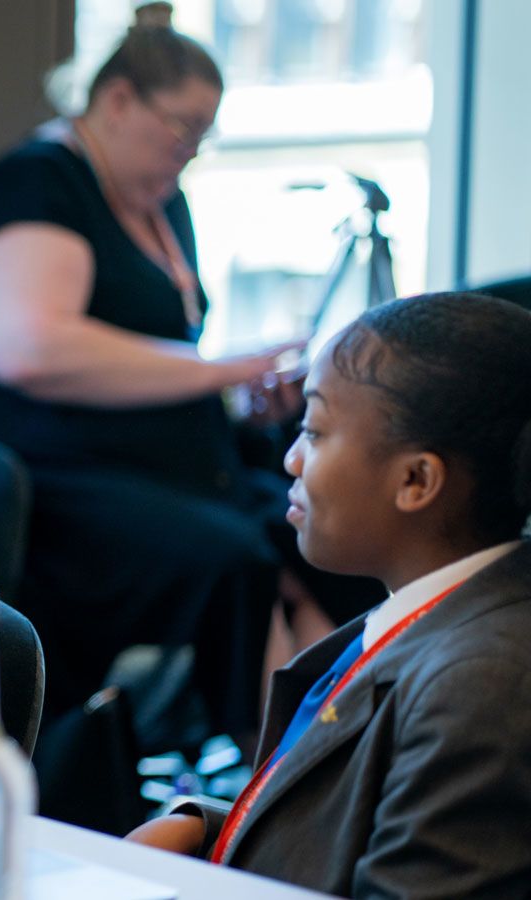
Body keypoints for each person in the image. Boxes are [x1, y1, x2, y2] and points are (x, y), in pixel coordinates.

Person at [0, 21, 380, 743]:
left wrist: (241, 394)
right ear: (120, 100)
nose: (190, 150)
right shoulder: (36, 184)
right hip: (52, 480)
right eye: (183, 127)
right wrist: (226, 367)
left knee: (316, 533)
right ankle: (281, 783)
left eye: (203, 135)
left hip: (163, 466)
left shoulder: (163, 203)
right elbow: (28, 349)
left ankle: (341, 760)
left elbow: (161, 355)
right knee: (237, 560)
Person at [128, 292, 531, 897]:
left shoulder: (482, 687)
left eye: (314, 432)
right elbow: (350, 823)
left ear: (415, 480)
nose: (290, 459)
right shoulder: (427, 613)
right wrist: (205, 830)